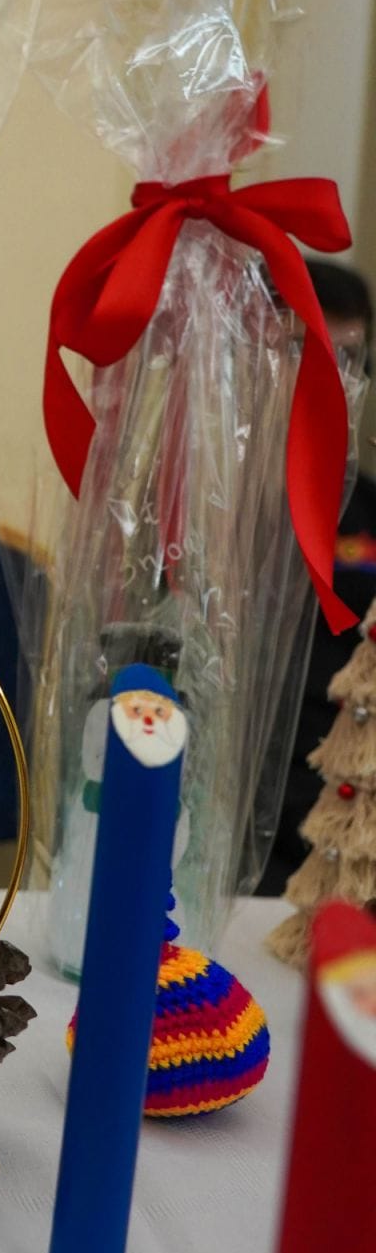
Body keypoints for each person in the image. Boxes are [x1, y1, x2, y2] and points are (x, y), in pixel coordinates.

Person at [261, 260, 374, 895]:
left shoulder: (369, 512)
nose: (332, 381)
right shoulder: (200, 511)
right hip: (215, 804)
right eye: (300, 353)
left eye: (350, 360)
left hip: (338, 809)